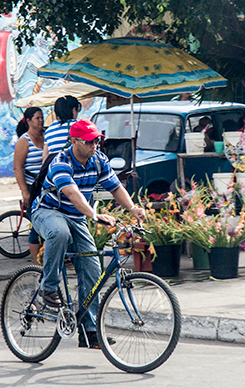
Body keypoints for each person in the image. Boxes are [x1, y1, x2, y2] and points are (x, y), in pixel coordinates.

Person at [29, 119, 146, 349]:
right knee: (60, 233)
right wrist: (94, 215)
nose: (94, 145)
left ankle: (90, 332)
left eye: (97, 140)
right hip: (48, 211)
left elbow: (115, 187)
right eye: (89, 141)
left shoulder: (98, 160)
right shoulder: (61, 161)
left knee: (93, 270)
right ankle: (48, 287)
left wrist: (132, 208)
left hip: (77, 216)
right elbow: (72, 194)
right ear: (74, 141)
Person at [13, 107, 48, 259]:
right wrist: (25, 191)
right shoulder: (24, 141)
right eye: (37, 118)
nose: (41, 121)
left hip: (48, 189)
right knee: (36, 226)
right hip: (34, 191)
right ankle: (36, 263)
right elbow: (17, 167)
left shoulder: (47, 136)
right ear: (28, 121)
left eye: (42, 117)